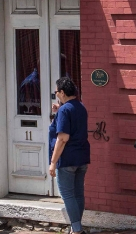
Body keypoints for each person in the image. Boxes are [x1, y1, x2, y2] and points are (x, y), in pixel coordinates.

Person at [49, 76, 90, 234]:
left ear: (63, 92)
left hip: (67, 159)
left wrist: (53, 162)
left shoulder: (65, 110)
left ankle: (77, 230)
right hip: (82, 157)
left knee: (67, 195)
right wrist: (58, 112)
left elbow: (63, 138)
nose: (56, 94)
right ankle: (76, 228)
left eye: (57, 92)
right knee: (78, 193)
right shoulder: (80, 106)